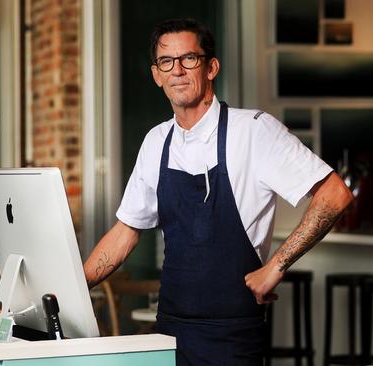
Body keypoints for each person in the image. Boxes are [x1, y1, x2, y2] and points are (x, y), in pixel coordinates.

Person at [83, 18, 353, 365]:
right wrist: (71, 290)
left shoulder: (254, 131)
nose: (178, 70)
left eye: (189, 59)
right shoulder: (156, 142)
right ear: (157, 75)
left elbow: (335, 194)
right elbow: (125, 232)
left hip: (232, 337)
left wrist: (277, 265)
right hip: (168, 330)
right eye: (167, 62)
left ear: (211, 67)